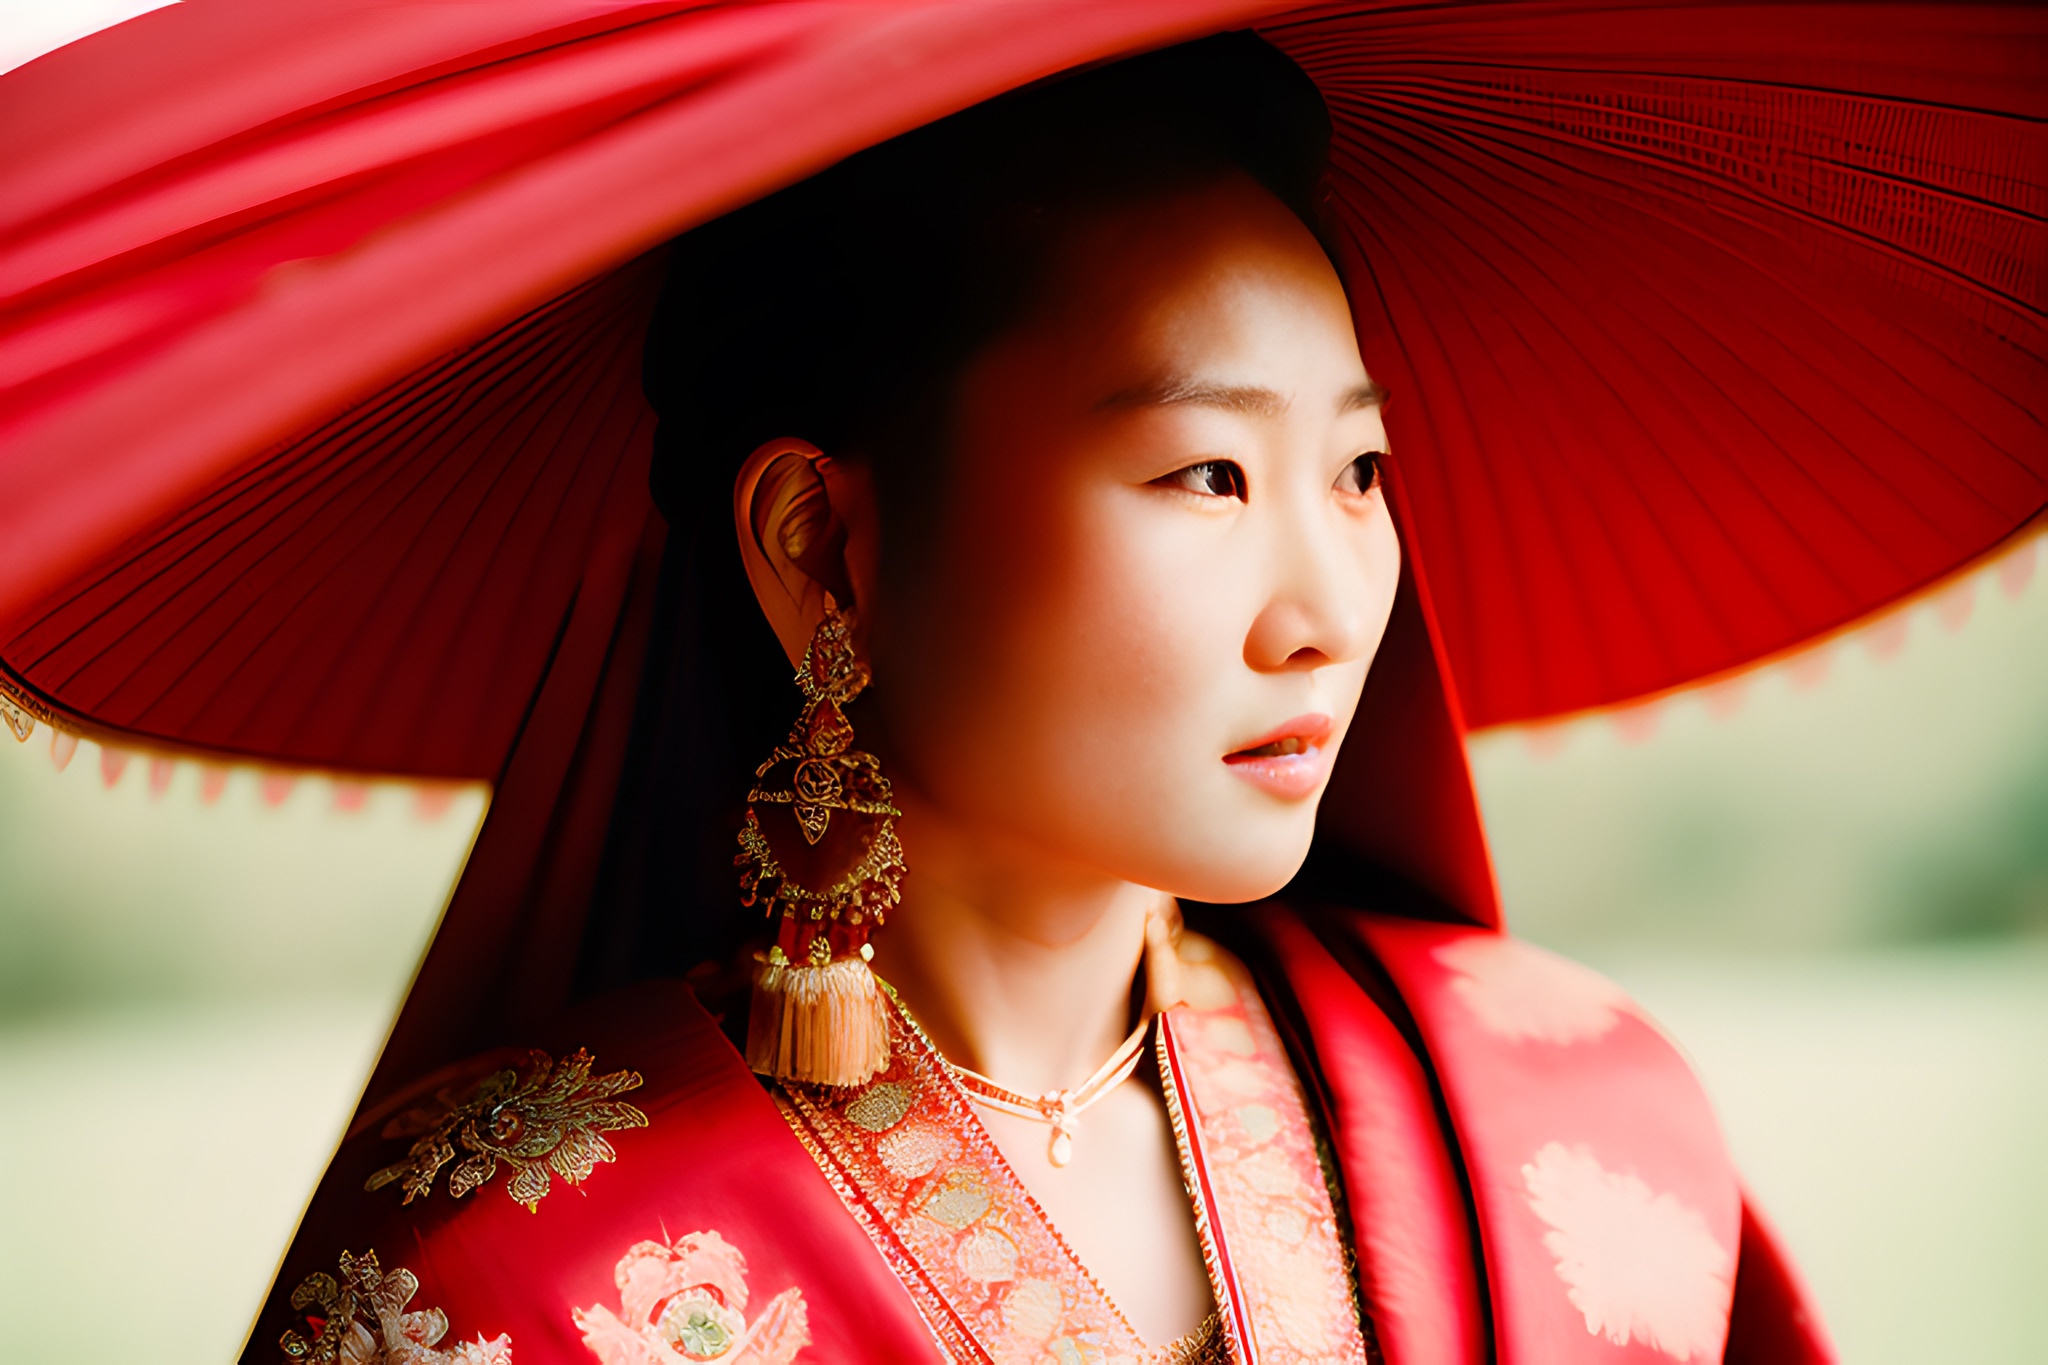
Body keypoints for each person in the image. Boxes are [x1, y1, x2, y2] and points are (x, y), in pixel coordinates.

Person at [250, 36, 1829, 1365]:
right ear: (821, 547)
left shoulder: (1571, 1125)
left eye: (1358, 471)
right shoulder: (506, 1266)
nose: (1333, 611)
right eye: (1207, 472)